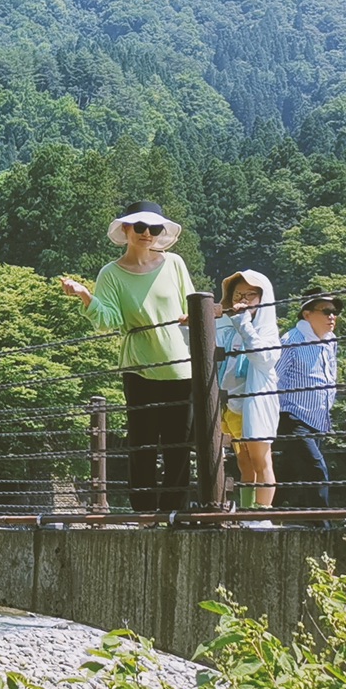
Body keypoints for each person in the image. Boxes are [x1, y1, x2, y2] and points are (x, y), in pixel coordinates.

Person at [59, 201, 196, 514]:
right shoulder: (111, 273)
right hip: (139, 366)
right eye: (140, 227)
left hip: (180, 364)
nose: (147, 234)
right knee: (143, 444)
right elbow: (108, 318)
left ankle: (176, 513)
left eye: (155, 228)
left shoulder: (174, 263)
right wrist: (84, 295)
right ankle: (145, 513)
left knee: (179, 446)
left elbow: (191, 304)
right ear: (126, 229)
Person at [215, 270, 280, 510]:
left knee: (261, 461)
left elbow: (263, 358)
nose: (242, 300)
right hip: (232, 407)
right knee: (244, 463)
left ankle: (262, 514)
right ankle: (246, 511)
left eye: (250, 295)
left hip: (256, 405)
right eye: (237, 295)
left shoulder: (267, 330)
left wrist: (244, 325)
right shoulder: (229, 328)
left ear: (263, 299)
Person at [275, 289, 342, 509]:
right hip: (293, 417)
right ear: (307, 314)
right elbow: (274, 377)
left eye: (335, 311)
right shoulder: (291, 340)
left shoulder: (330, 340)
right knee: (316, 469)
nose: (332, 316)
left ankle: (267, 512)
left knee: (290, 472)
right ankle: (323, 526)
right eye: (326, 311)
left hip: (318, 418)